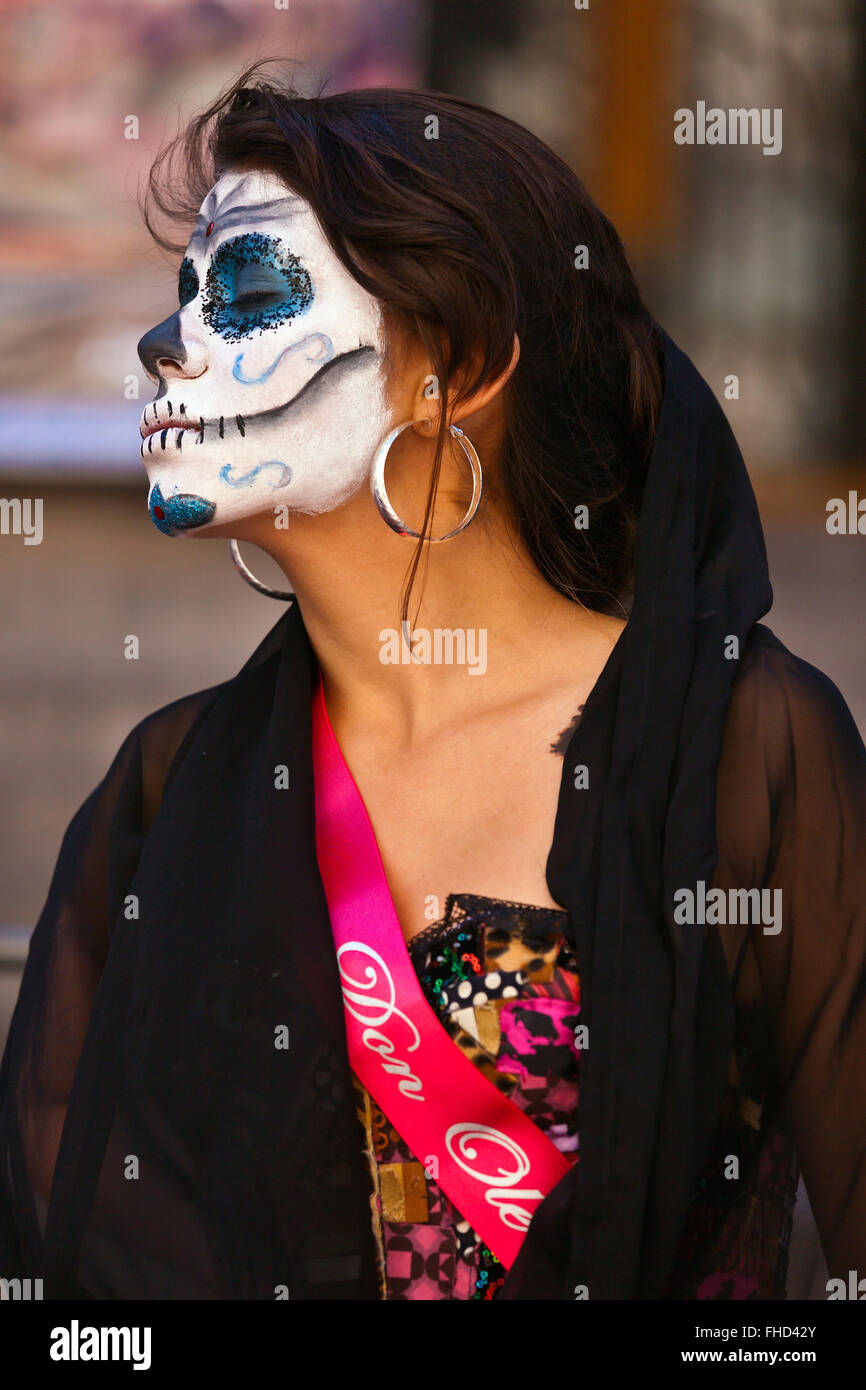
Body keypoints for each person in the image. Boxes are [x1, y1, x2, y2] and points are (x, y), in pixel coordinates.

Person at [1, 65, 864, 1302]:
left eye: (241, 288)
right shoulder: (168, 780)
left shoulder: (736, 746)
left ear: (450, 367)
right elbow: (60, 1265)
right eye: (182, 293)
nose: (162, 342)